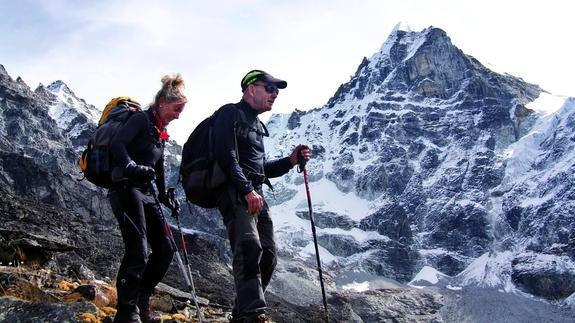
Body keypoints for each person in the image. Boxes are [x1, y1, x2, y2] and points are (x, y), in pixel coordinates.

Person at [213, 70, 311, 322]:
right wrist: (246, 190)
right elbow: (226, 156)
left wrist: (290, 161)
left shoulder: (257, 127)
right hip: (236, 191)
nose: (275, 94)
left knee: (268, 254)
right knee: (249, 247)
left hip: (255, 193)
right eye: (269, 88)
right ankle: (252, 313)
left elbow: (261, 169)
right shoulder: (229, 113)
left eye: (276, 90)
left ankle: (241, 314)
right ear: (250, 89)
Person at [108, 74, 187, 323]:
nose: (179, 115)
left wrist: (164, 195)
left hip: (147, 193)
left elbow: (159, 165)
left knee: (164, 249)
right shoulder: (140, 120)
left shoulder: (159, 132)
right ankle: (126, 311)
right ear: (163, 103)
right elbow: (117, 145)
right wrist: (131, 166)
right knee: (138, 250)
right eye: (177, 109)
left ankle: (141, 302)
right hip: (125, 187)